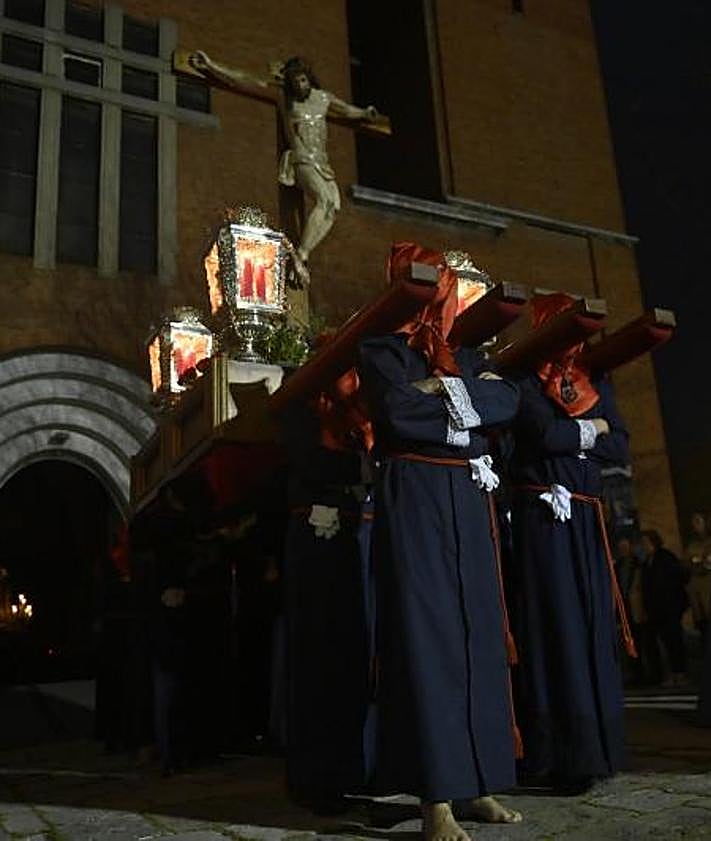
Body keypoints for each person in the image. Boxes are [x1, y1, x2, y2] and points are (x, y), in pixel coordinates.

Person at [358, 242, 523, 841]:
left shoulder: (467, 353)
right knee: (429, 638)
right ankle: (437, 800)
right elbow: (399, 415)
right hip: (419, 496)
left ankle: (477, 781)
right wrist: (463, 404)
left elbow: (508, 401)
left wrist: (442, 392)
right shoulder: (381, 349)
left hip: (467, 498)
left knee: (478, 632)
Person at [509, 292, 635, 793]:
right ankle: (561, 754)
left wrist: (579, 431)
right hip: (547, 519)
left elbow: (619, 443)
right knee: (556, 626)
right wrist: (593, 429)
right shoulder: (525, 380)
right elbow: (543, 437)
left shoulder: (594, 380)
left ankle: (599, 748)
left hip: (587, 517)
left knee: (593, 627)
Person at [280, 363, 376, 812]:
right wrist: (361, 467)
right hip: (316, 543)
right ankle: (317, 778)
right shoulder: (299, 411)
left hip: (354, 539)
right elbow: (308, 461)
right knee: (319, 658)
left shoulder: (355, 416)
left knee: (354, 656)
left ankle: (355, 767)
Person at [189, 52, 379, 269]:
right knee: (324, 199)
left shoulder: (323, 99)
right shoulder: (284, 98)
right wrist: (212, 65)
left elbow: (346, 110)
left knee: (332, 206)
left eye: (303, 79)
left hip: (322, 163)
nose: (300, 84)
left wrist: (365, 113)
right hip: (301, 159)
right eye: (295, 81)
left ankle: (303, 252)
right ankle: (301, 254)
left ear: (309, 78)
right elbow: (245, 80)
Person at [640, 529, 689, 688]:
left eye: (647, 542)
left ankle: (680, 673)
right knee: (664, 644)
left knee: (674, 642)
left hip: (669, 608)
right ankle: (670, 674)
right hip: (656, 610)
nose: (644, 546)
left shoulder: (665, 557)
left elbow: (676, 579)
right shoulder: (647, 561)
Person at [683, 512, 711, 644]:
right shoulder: (692, 544)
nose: (696, 526)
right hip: (697, 593)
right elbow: (688, 562)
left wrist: (700, 562)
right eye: (694, 523)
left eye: (698, 522)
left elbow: (706, 563)